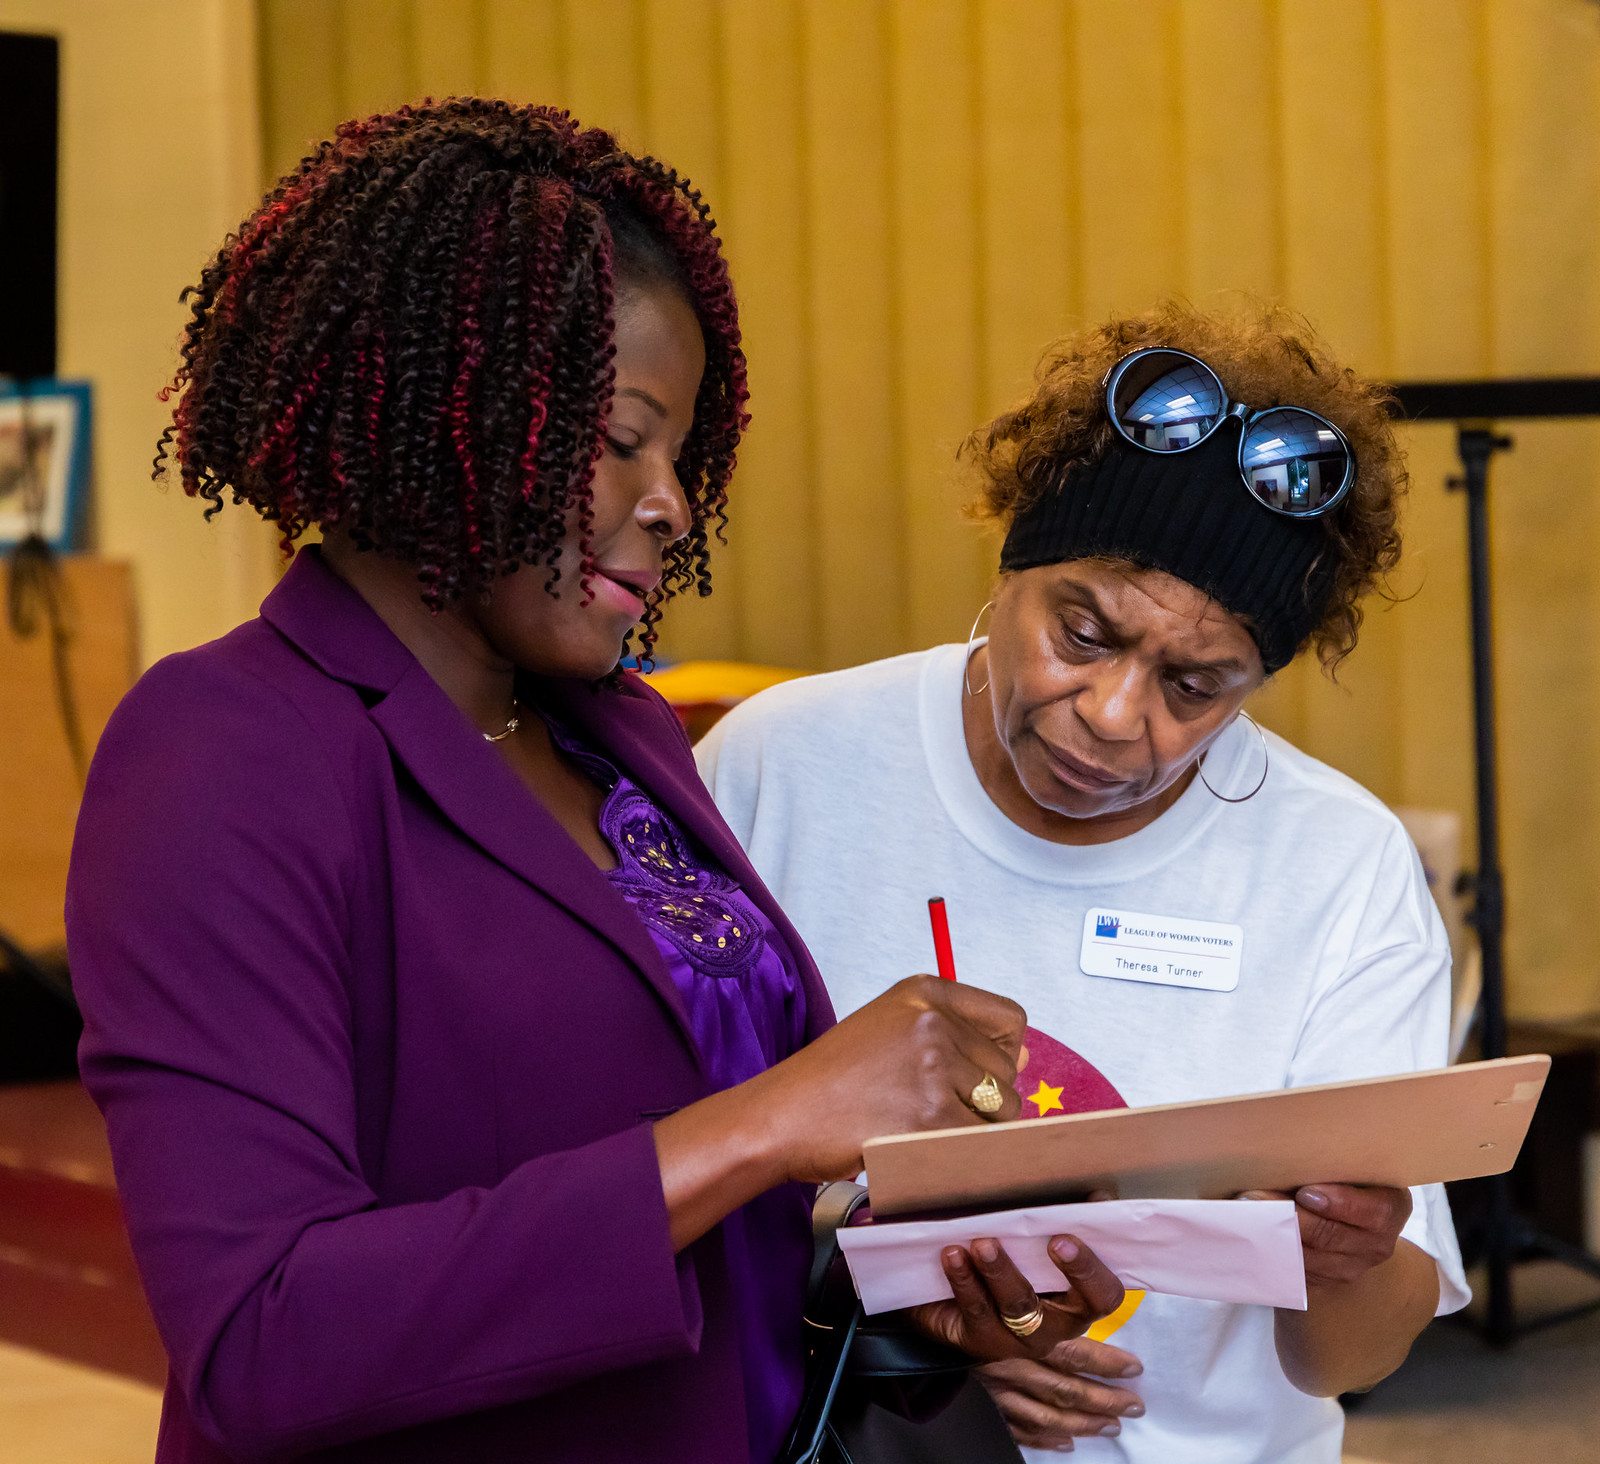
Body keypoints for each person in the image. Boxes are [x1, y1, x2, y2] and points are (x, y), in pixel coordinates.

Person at [64, 100, 1125, 1464]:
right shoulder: (229, 747)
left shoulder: (617, 734)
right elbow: (265, 1337)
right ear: (439, 406)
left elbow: (707, 1241)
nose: (673, 499)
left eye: (681, 451)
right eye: (623, 438)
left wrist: (940, 1300)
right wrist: (765, 1125)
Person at [697, 304, 1471, 1463]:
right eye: (1084, 632)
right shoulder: (776, 768)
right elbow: (665, 1170)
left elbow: (1345, 1361)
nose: (1114, 717)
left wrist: (1350, 1257)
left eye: (1196, 686)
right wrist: (913, 1361)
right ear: (1008, 559)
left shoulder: (1337, 866)